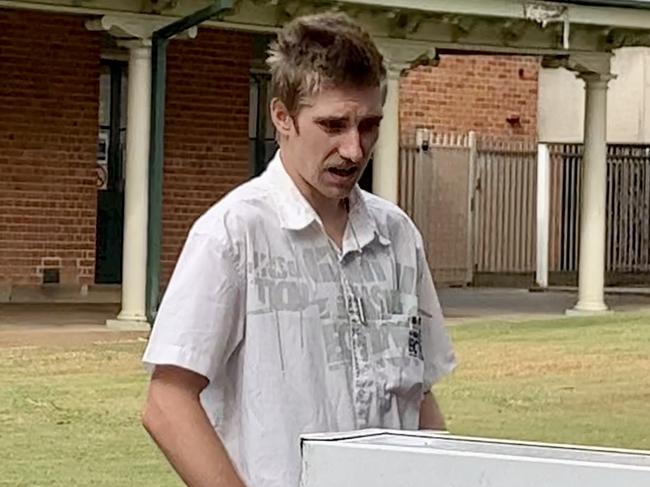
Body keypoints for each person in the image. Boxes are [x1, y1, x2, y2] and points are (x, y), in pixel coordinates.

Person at [141, 11, 456, 487]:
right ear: (282, 118)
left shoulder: (398, 237)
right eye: (333, 125)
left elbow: (419, 395)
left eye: (369, 125)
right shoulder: (232, 235)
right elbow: (167, 403)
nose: (354, 149)